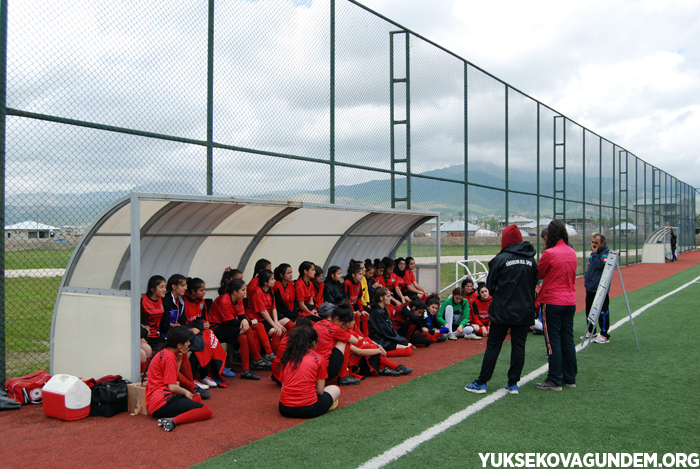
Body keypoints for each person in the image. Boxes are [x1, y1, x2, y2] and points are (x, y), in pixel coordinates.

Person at [465, 225, 538, 395]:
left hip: (502, 310)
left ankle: (482, 382)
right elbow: (534, 283)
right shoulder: (531, 260)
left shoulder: (500, 259)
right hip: (524, 310)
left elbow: (490, 286)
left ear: (504, 240)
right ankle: (513, 383)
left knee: (493, 346)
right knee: (519, 346)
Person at [536, 219, 577, 391]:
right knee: (567, 340)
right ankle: (569, 378)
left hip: (552, 301)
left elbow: (538, 273)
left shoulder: (550, 253)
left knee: (553, 342)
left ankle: (554, 379)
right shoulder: (572, 252)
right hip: (570, 301)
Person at [147, 326, 213, 431]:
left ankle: (174, 417)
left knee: (196, 397)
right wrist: (185, 392)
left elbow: (172, 376)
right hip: (162, 402)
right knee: (207, 411)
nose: (189, 344)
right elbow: (172, 387)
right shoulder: (169, 357)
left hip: (156, 401)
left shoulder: (166, 353)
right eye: (187, 342)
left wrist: (179, 360)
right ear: (179, 345)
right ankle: (173, 421)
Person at [278, 324, 340, 419]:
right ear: (314, 343)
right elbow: (320, 391)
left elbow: (283, 387)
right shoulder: (318, 358)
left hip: (284, 408)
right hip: (309, 409)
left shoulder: (287, 357)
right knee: (335, 389)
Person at [367, 288, 413, 356]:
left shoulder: (381, 311)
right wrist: (401, 340)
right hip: (381, 341)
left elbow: (389, 331)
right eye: (388, 296)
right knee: (408, 350)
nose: (390, 298)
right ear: (381, 298)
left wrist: (401, 339)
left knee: (409, 346)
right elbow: (385, 332)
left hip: (386, 339)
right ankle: (381, 353)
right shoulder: (378, 312)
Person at [583, 233, 611, 344]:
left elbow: (601, 266)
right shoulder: (594, 253)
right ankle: (591, 331)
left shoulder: (606, 253)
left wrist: (594, 254)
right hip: (591, 286)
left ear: (603, 243)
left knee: (602, 311)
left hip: (601, 288)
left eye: (596, 243)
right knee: (589, 310)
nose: (593, 245)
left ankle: (604, 334)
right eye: (592, 242)